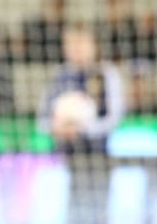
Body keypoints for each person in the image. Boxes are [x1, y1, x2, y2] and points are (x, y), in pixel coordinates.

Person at [37, 24, 125, 155]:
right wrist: (56, 128)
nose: (76, 48)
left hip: (97, 153)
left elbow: (114, 118)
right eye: (71, 43)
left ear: (94, 45)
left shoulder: (106, 73)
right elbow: (41, 121)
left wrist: (82, 129)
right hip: (62, 153)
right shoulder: (59, 75)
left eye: (81, 42)